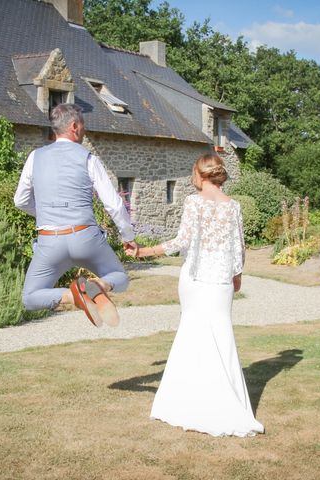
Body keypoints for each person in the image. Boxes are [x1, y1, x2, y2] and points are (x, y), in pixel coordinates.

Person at [126, 153, 265, 437]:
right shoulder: (234, 206)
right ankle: (222, 402)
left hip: (196, 279)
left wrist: (144, 252)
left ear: (200, 175)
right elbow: (239, 247)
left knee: (192, 335)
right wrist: (236, 276)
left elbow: (181, 241)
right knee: (221, 336)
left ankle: (186, 402)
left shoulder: (193, 202)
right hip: (221, 281)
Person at [14, 103, 137, 327]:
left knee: (30, 297)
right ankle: (98, 286)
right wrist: (128, 237)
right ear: (74, 126)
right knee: (119, 278)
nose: (84, 130)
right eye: (83, 125)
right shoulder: (88, 157)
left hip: (50, 241)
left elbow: (20, 201)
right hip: (85, 238)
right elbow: (114, 204)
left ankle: (74, 296)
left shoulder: (35, 157)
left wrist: (46, 216)